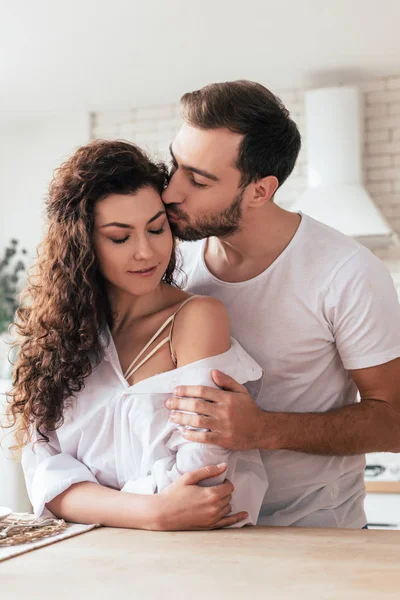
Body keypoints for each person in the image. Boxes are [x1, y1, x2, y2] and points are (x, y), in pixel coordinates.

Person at [162, 80, 400, 528]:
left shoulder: (347, 272)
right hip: (200, 532)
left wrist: (262, 429)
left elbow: (395, 419)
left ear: (259, 190)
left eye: (197, 179)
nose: (172, 191)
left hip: (317, 532)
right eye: (175, 165)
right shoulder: (171, 259)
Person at [7, 140, 268, 530]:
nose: (146, 252)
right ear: (83, 245)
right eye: (120, 237)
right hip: (89, 558)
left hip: (195, 560)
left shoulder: (196, 318)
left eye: (156, 229)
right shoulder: (59, 337)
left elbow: (204, 481)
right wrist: (154, 511)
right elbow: (44, 473)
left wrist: (92, 497)